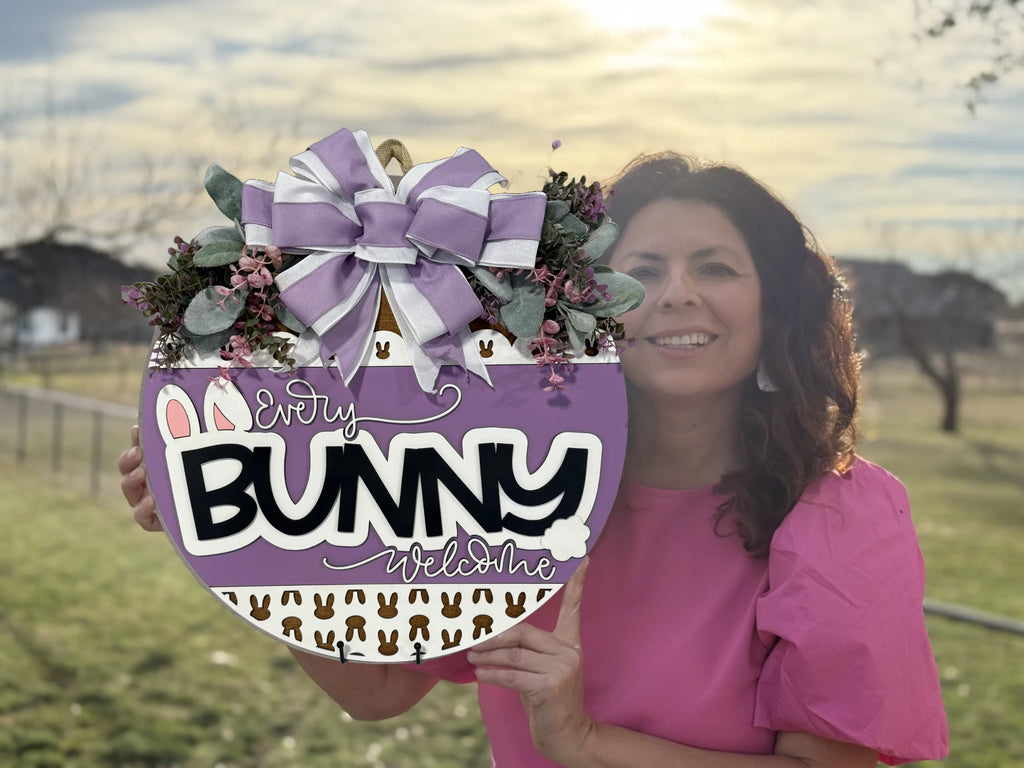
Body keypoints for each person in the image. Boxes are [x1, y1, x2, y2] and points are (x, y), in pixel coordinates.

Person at [119, 152, 949, 767]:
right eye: (644, 270)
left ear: (776, 309)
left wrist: (585, 742)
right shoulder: (510, 485)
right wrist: (241, 530)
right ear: (585, 308)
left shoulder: (840, 514)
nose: (677, 295)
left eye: (718, 268)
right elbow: (376, 691)